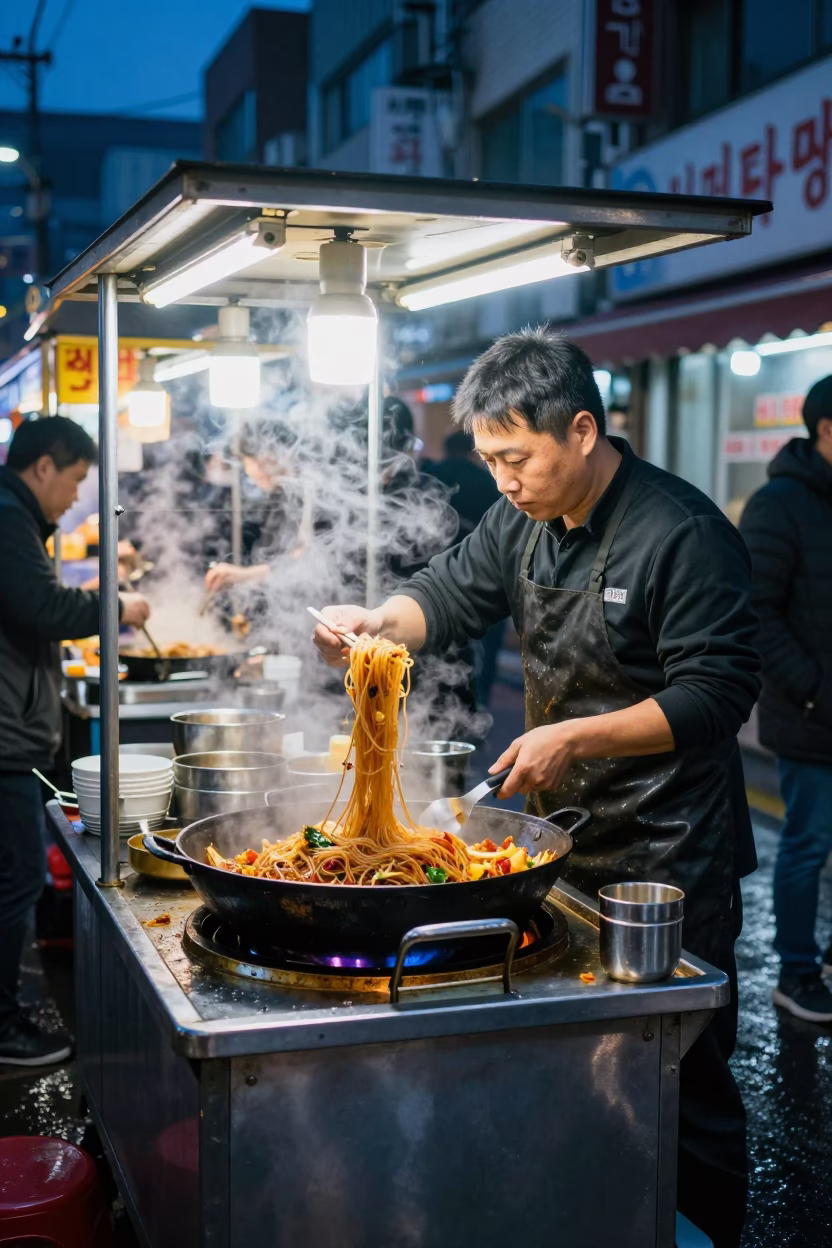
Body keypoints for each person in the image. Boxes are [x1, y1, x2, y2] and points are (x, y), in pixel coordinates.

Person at [313, 330, 760, 1248]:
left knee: (685, 1077)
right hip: (559, 845)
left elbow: (718, 693)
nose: (504, 480)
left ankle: (711, 1230)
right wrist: (377, 626)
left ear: (584, 430)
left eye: (517, 458)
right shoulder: (519, 519)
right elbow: (447, 593)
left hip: (666, 861)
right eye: (488, 460)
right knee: (582, 1071)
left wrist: (576, 735)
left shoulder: (681, 533)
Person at [0, 417, 149, 1066]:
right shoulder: (8, 519)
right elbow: (46, 610)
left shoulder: (16, 516)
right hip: (4, 735)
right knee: (19, 877)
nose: (75, 498)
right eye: (76, 481)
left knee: (16, 876)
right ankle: (4, 1028)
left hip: (13, 724)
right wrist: (115, 607)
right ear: (42, 468)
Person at [739, 375, 832, 1023]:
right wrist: (815, 689)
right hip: (812, 715)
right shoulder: (778, 504)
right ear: (826, 429)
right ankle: (796, 971)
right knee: (808, 841)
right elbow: (757, 614)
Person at [424, 430, 505, 704]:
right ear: (473, 453)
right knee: (483, 653)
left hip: (435, 575)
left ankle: (449, 705)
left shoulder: (429, 477)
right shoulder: (486, 483)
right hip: (489, 578)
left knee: (441, 656)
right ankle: (479, 705)